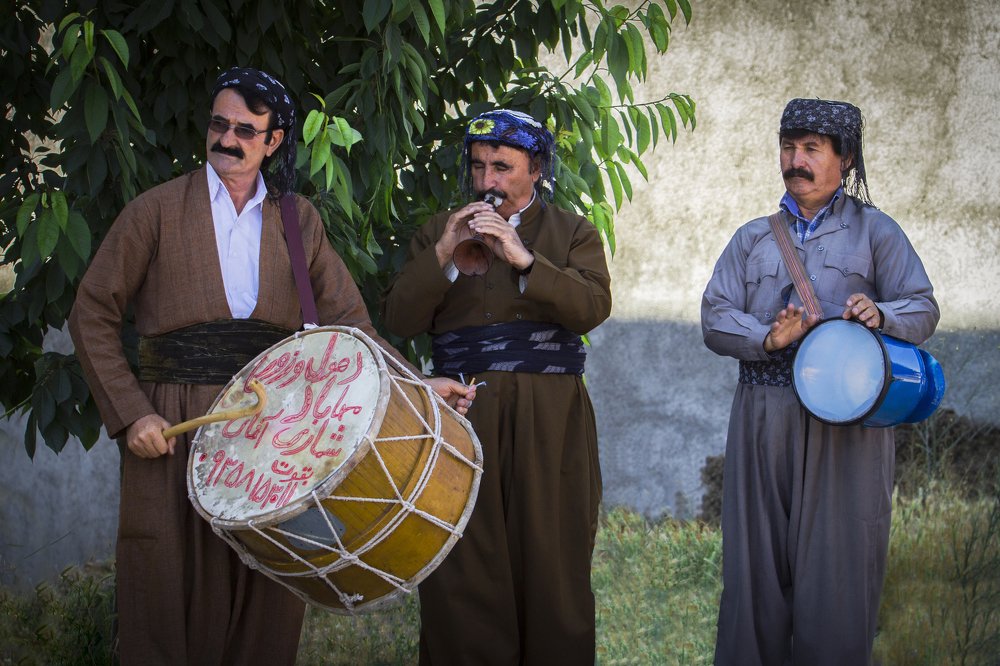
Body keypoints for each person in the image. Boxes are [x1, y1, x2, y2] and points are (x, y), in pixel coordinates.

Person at [68, 66, 473, 665]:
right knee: (164, 576)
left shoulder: (296, 220)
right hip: (174, 424)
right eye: (219, 124)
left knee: (269, 578)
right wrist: (132, 416)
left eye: (245, 130)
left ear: (274, 140)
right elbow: (91, 312)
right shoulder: (153, 212)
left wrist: (416, 387)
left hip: (276, 431)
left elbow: (349, 327)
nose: (226, 140)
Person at [701, 98, 940, 665]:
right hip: (763, 412)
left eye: (811, 149)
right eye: (788, 147)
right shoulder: (753, 238)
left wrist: (881, 315)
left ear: (844, 158)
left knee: (837, 573)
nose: (795, 161)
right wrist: (767, 340)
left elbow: (922, 307)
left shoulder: (877, 231)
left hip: (847, 424)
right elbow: (714, 315)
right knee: (754, 570)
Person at [383, 109, 612, 664]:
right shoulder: (438, 230)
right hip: (462, 417)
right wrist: (444, 253)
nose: (488, 182)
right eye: (480, 166)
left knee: (553, 566)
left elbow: (592, 308)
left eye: (503, 168)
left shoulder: (571, 231)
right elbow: (398, 322)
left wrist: (524, 257)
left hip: (550, 419)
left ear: (535, 168)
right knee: (464, 566)